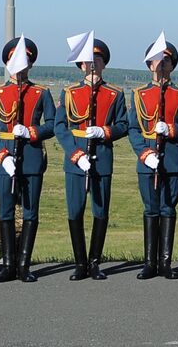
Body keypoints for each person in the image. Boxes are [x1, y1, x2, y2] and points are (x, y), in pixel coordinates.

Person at [55, 34, 128, 281]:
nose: (93, 64)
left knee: (100, 210)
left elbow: (123, 125)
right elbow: (60, 127)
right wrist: (75, 154)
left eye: (97, 59)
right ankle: (80, 262)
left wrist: (104, 131)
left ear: (104, 63)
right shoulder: (69, 93)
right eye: (88, 60)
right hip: (76, 161)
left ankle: (95, 262)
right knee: (75, 211)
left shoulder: (114, 94)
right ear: (81, 65)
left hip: (102, 158)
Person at [0, 37, 57, 283]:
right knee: (4, 210)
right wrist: (2, 156)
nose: (20, 67)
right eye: (15, 61)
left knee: (30, 212)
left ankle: (24, 264)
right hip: (5, 158)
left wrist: (32, 132)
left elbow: (54, 124)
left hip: (31, 158)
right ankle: (8, 264)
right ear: (8, 63)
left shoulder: (41, 93)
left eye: (25, 62)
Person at [127, 36, 178, 280]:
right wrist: (144, 153)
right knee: (151, 209)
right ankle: (149, 263)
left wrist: (171, 130)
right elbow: (133, 129)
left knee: (168, 208)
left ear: (171, 65)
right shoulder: (139, 95)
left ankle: (165, 263)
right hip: (148, 161)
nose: (160, 66)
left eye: (165, 61)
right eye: (156, 61)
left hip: (173, 161)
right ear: (149, 66)